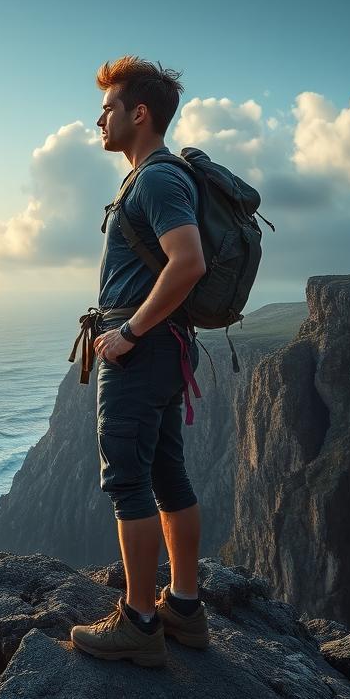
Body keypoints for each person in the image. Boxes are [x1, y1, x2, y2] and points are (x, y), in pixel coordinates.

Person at [69, 56, 210, 667]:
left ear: (139, 113)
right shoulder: (154, 178)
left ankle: (140, 622)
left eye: (109, 107)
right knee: (165, 475)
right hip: (163, 351)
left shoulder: (155, 179)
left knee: (128, 479)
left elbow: (189, 261)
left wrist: (126, 331)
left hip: (142, 351)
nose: (100, 118)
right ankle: (183, 607)